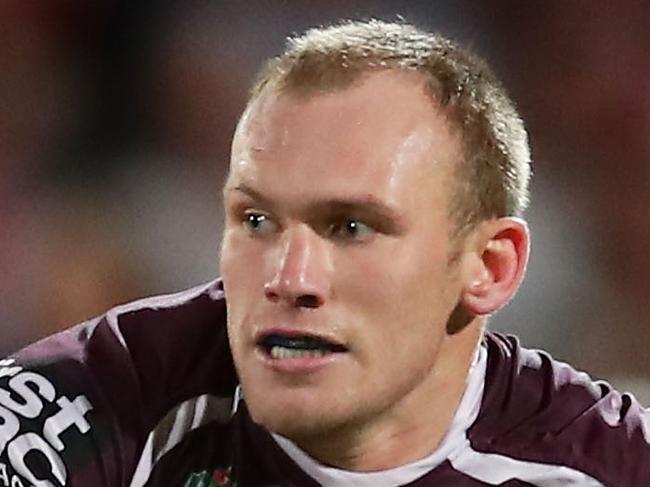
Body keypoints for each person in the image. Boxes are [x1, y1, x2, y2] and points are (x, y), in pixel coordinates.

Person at [1, 19, 648, 487]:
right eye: (256, 219)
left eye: (350, 227)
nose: (290, 278)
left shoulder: (605, 461)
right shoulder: (122, 396)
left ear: (489, 266)